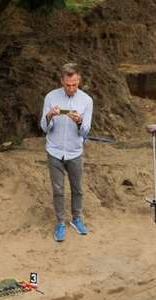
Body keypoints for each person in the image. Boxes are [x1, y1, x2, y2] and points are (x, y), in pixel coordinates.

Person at [40, 63, 93, 243]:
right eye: (68, 84)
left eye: (75, 84)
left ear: (79, 81)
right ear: (62, 80)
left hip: (74, 151)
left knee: (77, 188)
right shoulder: (51, 97)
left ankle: (77, 219)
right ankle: (61, 222)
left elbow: (86, 132)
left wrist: (79, 122)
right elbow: (44, 128)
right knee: (58, 189)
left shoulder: (86, 101)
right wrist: (49, 116)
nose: (71, 88)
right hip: (54, 150)